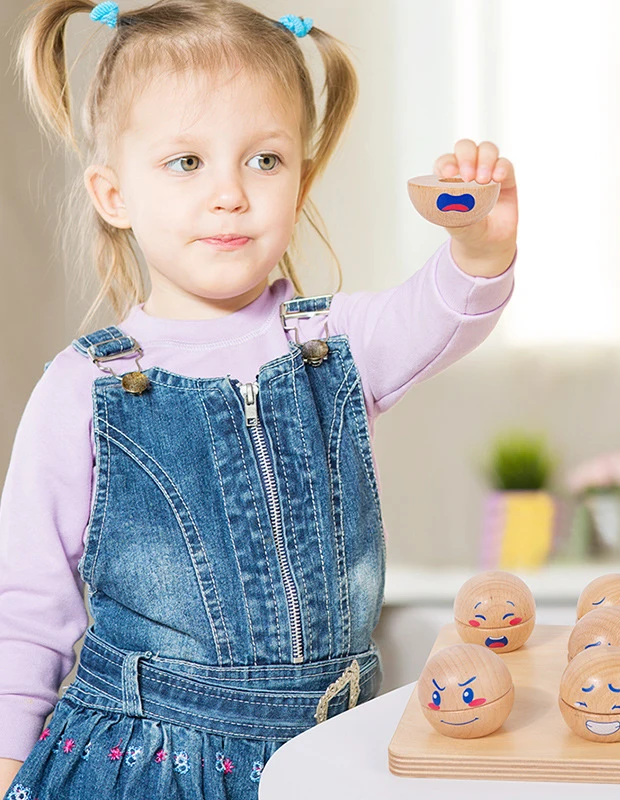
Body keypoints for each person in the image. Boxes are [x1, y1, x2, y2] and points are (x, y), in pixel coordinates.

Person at [0, 1, 518, 797]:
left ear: (301, 178)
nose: (230, 195)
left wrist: (478, 246)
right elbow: (28, 602)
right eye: (185, 163)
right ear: (113, 194)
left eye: (265, 160)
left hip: (329, 755)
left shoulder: (333, 342)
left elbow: (442, 311)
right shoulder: (82, 388)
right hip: (142, 767)